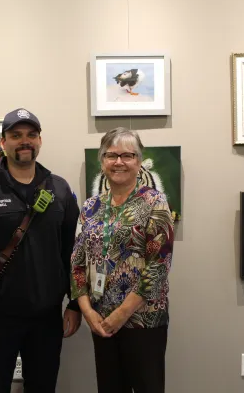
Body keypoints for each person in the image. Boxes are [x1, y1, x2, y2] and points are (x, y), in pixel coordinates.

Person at [0, 107, 82, 392]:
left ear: (39, 140)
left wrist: (74, 304)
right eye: (16, 135)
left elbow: (74, 254)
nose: (25, 141)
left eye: (31, 135)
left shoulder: (59, 189)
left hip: (47, 318)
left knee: (43, 388)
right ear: (3, 142)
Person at [70, 127, 175, 393]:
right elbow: (77, 263)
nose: (119, 162)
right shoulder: (90, 207)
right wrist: (87, 311)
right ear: (102, 161)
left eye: (127, 155)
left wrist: (120, 315)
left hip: (143, 320)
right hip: (100, 319)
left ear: (139, 162)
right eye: (111, 155)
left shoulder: (155, 202)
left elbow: (158, 267)